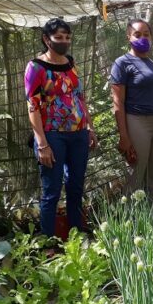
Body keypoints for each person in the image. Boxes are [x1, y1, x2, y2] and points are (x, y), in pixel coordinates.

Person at [25, 18, 99, 237]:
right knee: (52, 191)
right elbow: (33, 106)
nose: (64, 42)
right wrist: (42, 144)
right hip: (52, 136)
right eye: (59, 38)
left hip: (78, 134)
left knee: (76, 186)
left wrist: (90, 128)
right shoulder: (36, 67)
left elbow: (80, 97)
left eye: (67, 37)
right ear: (46, 39)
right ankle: (48, 241)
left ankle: (77, 233)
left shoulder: (71, 63)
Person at [110, 19, 153, 199]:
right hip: (136, 121)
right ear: (128, 36)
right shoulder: (122, 63)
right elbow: (118, 102)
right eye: (138, 34)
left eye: (147, 34)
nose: (143, 38)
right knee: (136, 173)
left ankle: (151, 221)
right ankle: (128, 221)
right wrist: (124, 136)